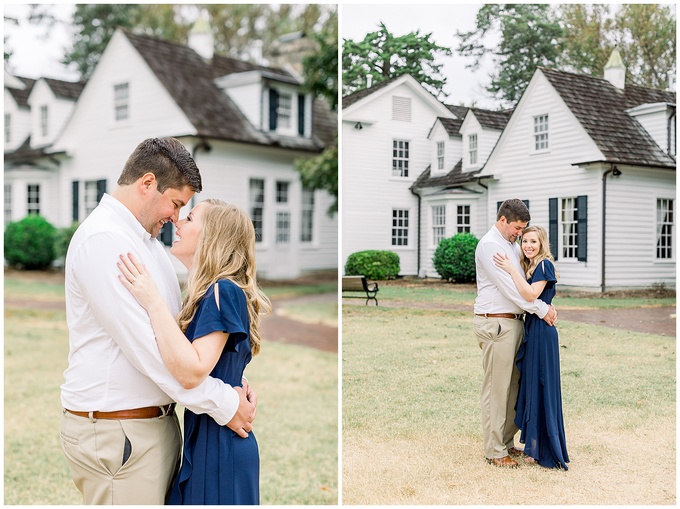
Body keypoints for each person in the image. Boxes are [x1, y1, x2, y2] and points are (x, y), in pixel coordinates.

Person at [60, 138, 257, 505]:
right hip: (119, 431)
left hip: (157, 427)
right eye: (177, 204)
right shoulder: (106, 241)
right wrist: (225, 403)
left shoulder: (147, 244)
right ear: (147, 183)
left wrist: (230, 375)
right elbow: (152, 354)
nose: (176, 218)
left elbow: (180, 341)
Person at [116, 198, 271, 504]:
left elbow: (193, 370)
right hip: (208, 436)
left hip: (220, 445)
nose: (178, 221)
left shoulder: (222, 290)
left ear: (212, 236)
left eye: (190, 219)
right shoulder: (210, 292)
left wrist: (152, 300)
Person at [473, 198, 557, 468]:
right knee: (497, 389)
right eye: (517, 228)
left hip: (515, 323)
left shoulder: (509, 245)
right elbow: (509, 288)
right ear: (502, 220)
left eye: (523, 229)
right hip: (496, 323)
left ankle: (506, 442)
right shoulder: (490, 246)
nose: (520, 234)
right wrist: (542, 308)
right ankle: (495, 451)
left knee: (512, 389)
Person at [493, 225, 570, 470]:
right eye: (524, 241)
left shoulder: (544, 265)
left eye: (533, 242)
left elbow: (529, 295)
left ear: (541, 244)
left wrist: (510, 269)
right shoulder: (531, 266)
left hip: (543, 333)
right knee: (532, 384)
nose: (528, 245)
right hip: (532, 329)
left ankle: (547, 449)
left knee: (543, 385)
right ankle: (534, 447)